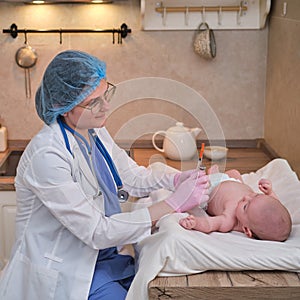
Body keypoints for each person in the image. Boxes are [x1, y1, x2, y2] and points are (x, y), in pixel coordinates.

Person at [0, 50, 210, 300]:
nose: (106, 107)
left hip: (105, 258)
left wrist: (176, 179)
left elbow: (132, 177)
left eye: (106, 93)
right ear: (62, 107)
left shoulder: (93, 131)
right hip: (65, 270)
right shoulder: (47, 154)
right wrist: (173, 203)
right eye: (93, 103)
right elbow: (97, 231)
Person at [179, 165, 292, 242]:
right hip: (234, 181)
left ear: (246, 230)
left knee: (194, 184)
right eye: (256, 195)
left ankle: (213, 174)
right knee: (235, 173)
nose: (246, 197)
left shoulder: (228, 220)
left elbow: (210, 224)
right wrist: (270, 192)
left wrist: (195, 223)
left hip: (211, 187)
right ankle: (218, 174)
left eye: (245, 206)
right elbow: (275, 205)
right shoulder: (257, 207)